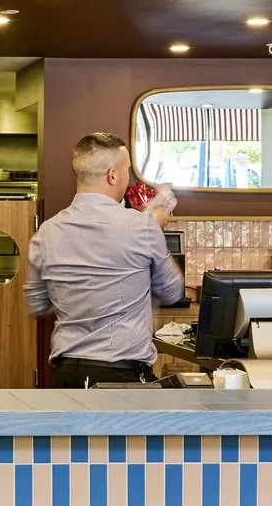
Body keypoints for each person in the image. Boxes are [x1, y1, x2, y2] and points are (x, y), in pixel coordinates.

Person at [26, 132, 185, 386]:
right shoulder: (142, 226)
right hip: (122, 378)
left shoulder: (46, 231)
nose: (128, 178)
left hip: (66, 376)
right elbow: (172, 291)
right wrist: (156, 229)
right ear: (113, 175)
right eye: (127, 171)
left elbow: (37, 304)